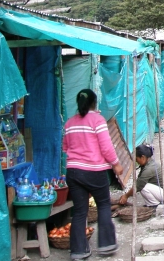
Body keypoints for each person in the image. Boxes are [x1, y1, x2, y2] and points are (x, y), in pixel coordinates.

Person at [63, 89, 124, 259]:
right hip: (94, 171)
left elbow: (65, 148)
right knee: (103, 204)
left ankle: (78, 251)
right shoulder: (97, 120)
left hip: (73, 172)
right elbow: (106, 146)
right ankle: (106, 245)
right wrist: (116, 164)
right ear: (94, 103)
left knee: (80, 211)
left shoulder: (69, 123)